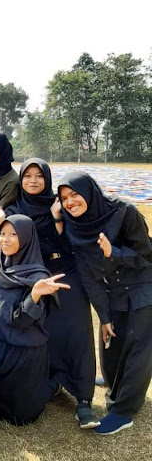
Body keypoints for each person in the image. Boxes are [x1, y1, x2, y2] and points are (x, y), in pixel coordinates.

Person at [0, 159, 98, 428]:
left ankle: (83, 398)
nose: (33, 181)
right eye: (28, 176)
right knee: (44, 330)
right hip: (30, 276)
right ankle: (51, 381)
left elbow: (73, 242)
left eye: (39, 176)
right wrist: (1, 221)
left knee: (76, 333)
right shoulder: (13, 209)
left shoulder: (59, 205)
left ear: (47, 178)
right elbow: (6, 241)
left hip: (64, 271)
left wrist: (57, 219)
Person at [58, 172, 152, 435]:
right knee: (112, 343)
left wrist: (114, 253)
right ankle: (115, 384)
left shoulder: (124, 212)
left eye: (74, 194)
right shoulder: (74, 226)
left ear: (89, 191)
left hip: (143, 284)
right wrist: (105, 316)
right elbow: (88, 277)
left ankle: (123, 411)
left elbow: (146, 255)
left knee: (138, 348)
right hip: (114, 289)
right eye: (64, 198)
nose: (70, 202)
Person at [0, 214, 70, 425]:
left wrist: (34, 295)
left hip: (23, 352)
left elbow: (22, 323)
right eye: (2, 233)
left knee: (21, 417)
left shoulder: (38, 278)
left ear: (26, 238)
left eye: (13, 234)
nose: (5, 239)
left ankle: (55, 384)